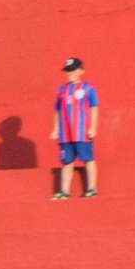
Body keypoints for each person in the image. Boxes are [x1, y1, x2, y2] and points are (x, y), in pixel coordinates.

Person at [51, 58, 98, 200]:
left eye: (73, 70)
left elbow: (94, 108)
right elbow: (57, 110)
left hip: (82, 132)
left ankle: (92, 188)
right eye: (67, 70)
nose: (70, 73)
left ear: (81, 71)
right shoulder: (62, 90)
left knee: (88, 159)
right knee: (66, 162)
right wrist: (55, 129)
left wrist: (93, 127)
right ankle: (64, 191)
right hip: (66, 134)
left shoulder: (88, 88)